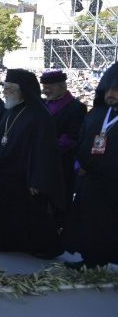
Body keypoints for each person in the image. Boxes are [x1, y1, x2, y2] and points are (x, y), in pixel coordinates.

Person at [0, 69, 64, 259]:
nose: (5, 92)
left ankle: (41, 247)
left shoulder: (39, 116)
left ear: (24, 90)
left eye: (11, 89)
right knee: (3, 211)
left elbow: (44, 151)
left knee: (31, 214)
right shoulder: (9, 110)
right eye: (5, 88)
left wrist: (37, 180)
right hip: (4, 172)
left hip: (25, 176)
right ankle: (7, 242)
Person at [63, 62, 118, 269]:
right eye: (108, 90)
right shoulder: (97, 114)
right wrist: (82, 164)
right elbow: (82, 140)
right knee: (90, 222)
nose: (111, 94)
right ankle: (91, 259)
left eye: (116, 90)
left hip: (112, 183)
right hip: (91, 180)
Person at [40, 70, 87, 215]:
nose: (45, 90)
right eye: (44, 87)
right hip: (42, 163)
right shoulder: (43, 104)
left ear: (61, 86)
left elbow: (72, 137)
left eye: (49, 87)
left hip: (61, 164)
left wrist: (47, 151)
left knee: (58, 204)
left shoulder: (76, 108)